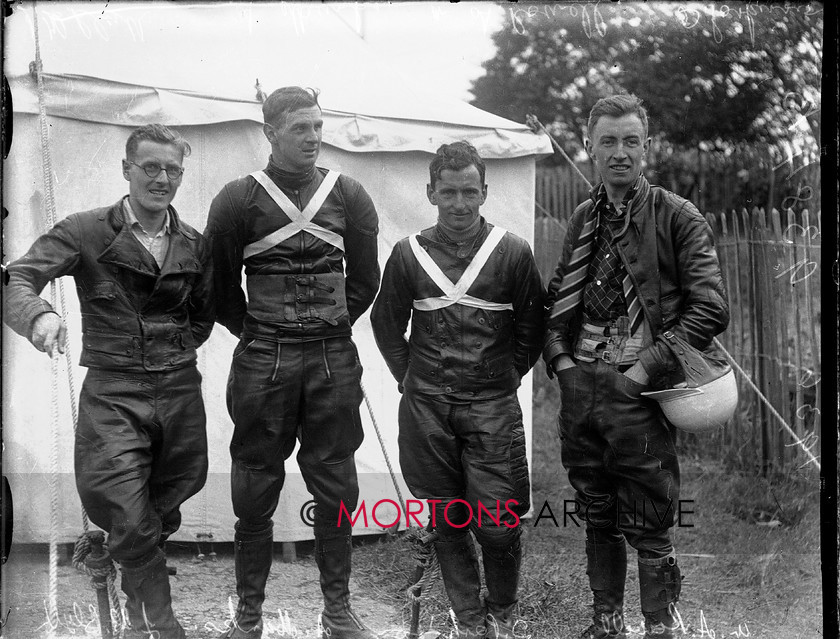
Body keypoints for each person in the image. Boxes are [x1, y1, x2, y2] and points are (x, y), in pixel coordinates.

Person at [4, 123, 213, 639]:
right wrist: (39, 317)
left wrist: (170, 353)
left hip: (179, 393)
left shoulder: (194, 242)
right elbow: (17, 277)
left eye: (172, 170)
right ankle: (165, 628)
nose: (161, 179)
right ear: (126, 170)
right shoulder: (86, 230)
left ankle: (135, 604)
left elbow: (204, 316)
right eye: (150, 168)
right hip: (113, 394)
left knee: (163, 508)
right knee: (126, 508)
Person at [543, 94, 730, 639]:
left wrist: (646, 369)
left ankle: (659, 628)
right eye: (608, 142)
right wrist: (562, 364)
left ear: (646, 148)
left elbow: (711, 307)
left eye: (630, 141)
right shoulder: (583, 217)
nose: (619, 153)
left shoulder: (677, 215)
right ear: (588, 148)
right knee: (595, 509)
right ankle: (605, 625)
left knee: (650, 516)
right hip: (581, 387)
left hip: (638, 387)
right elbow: (560, 298)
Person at [204, 87, 380, 639]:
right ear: (271, 132)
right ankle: (250, 617)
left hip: (331, 358)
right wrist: (260, 333)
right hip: (264, 359)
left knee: (336, 483)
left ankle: (337, 612)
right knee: (254, 486)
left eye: (318, 126)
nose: (313, 138)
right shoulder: (237, 199)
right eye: (300, 128)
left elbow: (366, 280)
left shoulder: (350, 194)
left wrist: (327, 328)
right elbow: (218, 287)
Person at [371, 141, 544, 639]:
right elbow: (386, 326)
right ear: (431, 193)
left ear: (485, 191)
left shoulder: (511, 252)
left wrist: (506, 377)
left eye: (470, 192)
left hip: (491, 406)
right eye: (449, 192)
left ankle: (503, 612)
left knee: (498, 521)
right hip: (428, 409)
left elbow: (532, 326)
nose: (460, 203)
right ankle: (470, 621)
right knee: (448, 518)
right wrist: (411, 379)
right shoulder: (408, 255)